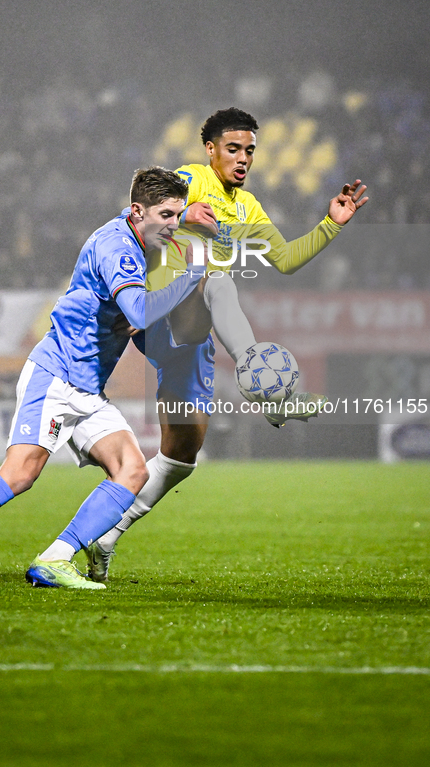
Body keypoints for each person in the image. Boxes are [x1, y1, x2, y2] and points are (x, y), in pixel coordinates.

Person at [84, 107, 368, 582]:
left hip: (193, 341)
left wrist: (331, 223)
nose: (242, 158)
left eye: (250, 151)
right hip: (164, 316)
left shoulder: (248, 208)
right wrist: (183, 213)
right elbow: (139, 211)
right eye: (233, 149)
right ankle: (268, 388)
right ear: (211, 150)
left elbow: (286, 260)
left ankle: (105, 538)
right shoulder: (191, 179)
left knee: (180, 456)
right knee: (220, 284)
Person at [0, 167, 207, 591]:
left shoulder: (135, 231)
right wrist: (190, 276)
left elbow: (137, 311)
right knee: (20, 473)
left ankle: (56, 559)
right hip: (56, 376)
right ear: (138, 211)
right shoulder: (118, 246)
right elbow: (138, 312)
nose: (173, 225)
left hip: (87, 389)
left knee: (132, 470)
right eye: (167, 215)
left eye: (178, 214)